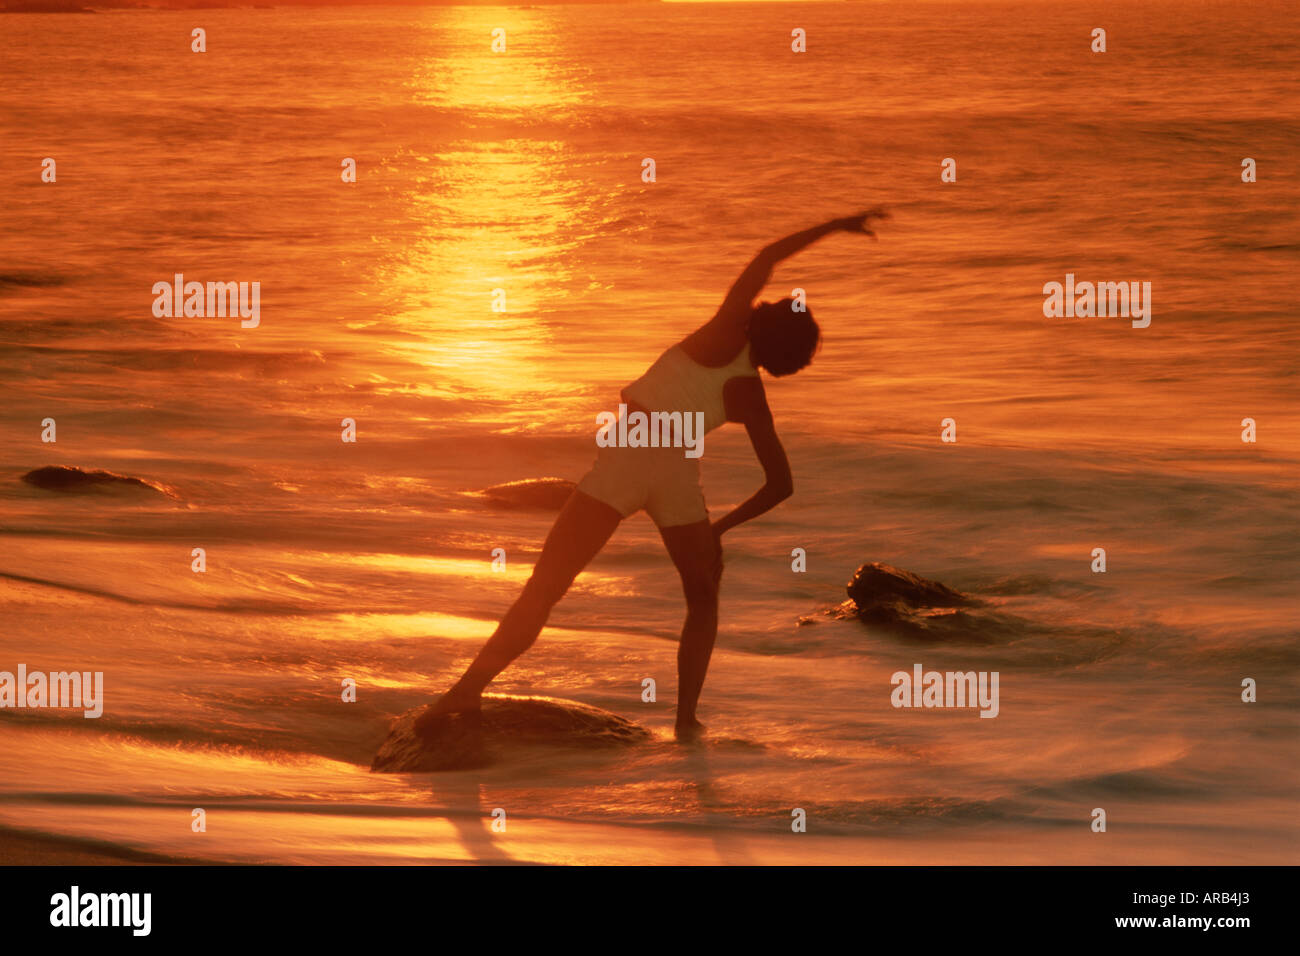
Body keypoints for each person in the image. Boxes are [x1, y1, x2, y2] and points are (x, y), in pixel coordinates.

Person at [416, 209, 889, 740]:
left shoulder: (726, 329)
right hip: (677, 480)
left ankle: (466, 691)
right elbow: (782, 485)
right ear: (787, 358)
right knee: (703, 597)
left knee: (545, 589)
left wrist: (833, 225)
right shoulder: (751, 397)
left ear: (766, 317)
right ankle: (686, 722)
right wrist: (718, 530)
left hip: (627, 455)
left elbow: (766, 257)